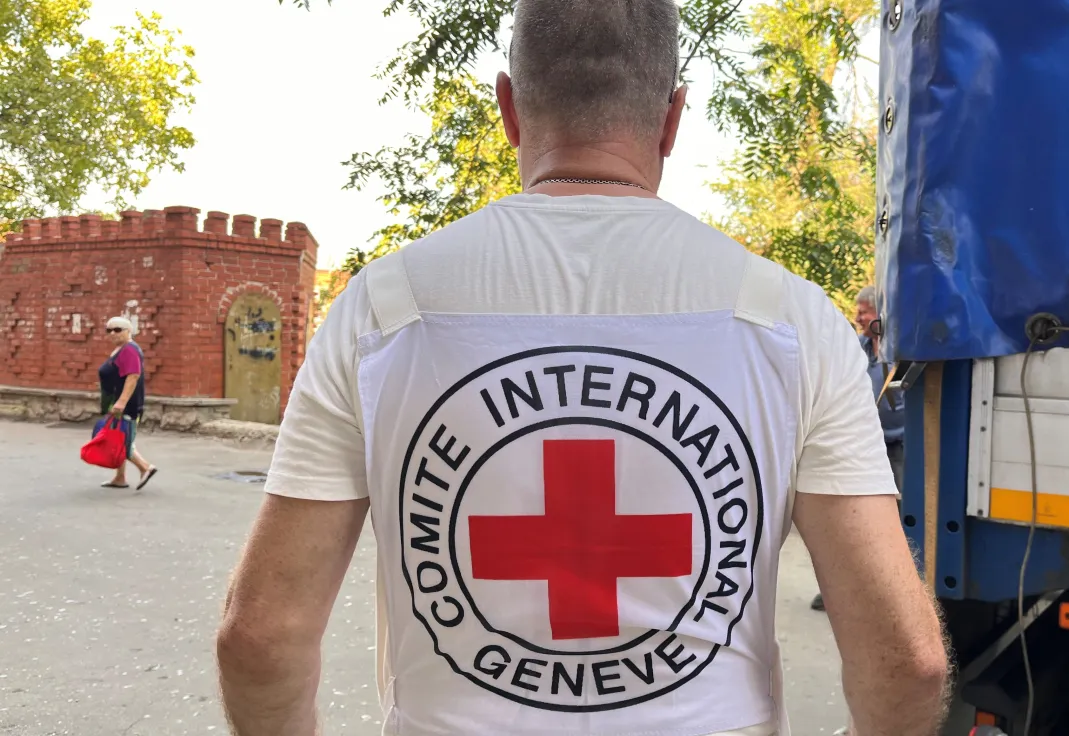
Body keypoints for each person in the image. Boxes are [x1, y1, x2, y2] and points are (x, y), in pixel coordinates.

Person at [216, 1, 949, 734]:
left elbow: (261, 637)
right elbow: (905, 660)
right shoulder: (794, 322)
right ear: (673, 119)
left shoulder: (380, 309)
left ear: (508, 107)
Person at [811, 286, 905, 612]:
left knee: (896, 525)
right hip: (863, 447)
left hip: (901, 446)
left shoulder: (902, 349)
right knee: (848, 522)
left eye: (863, 311)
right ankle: (840, 593)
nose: (857, 317)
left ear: (881, 314)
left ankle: (893, 598)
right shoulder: (858, 349)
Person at [97, 316, 157, 490]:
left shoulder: (129, 349)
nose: (113, 333)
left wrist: (121, 402)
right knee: (117, 436)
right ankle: (120, 477)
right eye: (109, 330)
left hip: (126, 405)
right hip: (116, 402)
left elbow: (133, 376)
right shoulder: (120, 349)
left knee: (120, 439)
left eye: (118, 329)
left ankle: (145, 468)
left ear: (129, 331)